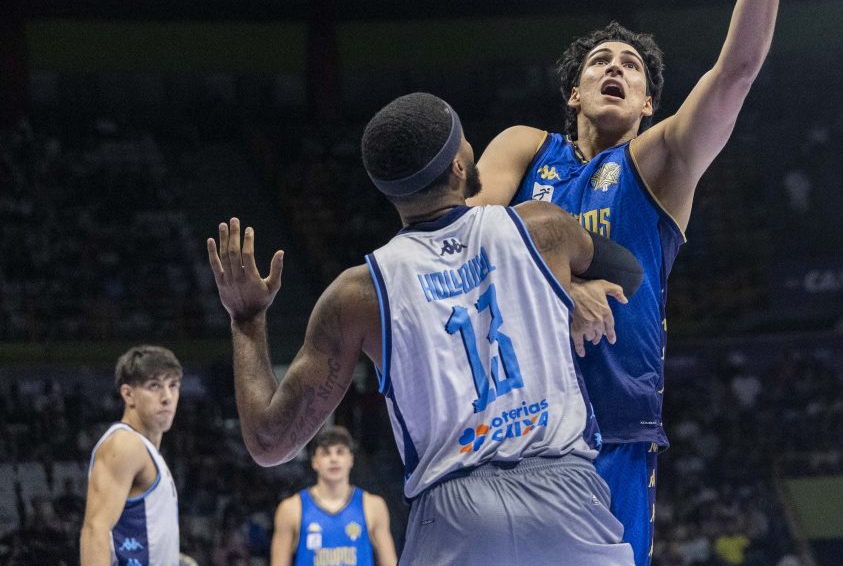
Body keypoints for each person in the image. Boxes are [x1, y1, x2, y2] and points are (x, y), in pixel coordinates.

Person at [470, 0, 843, 564]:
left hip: (613, 430)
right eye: (599, 62)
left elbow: (737, 70)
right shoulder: (522, 147)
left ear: (648, 103)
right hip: (508, 428)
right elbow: (464, 242)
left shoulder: (660, 164)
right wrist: (560, 283)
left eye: (632, 67)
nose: (615, 67)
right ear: (573, 92)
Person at [207, 92, 646, 566]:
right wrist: (570, 289)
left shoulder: (357, 294)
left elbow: (270, 442)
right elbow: (629, 272)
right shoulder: (543, 230)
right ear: (459, 165)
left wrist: (247, 320)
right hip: (565, 494)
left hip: (452, 511)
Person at [81, 346, 182, 566]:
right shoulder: (124, 445)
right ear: (128, 394)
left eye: (173, 385)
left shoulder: (147, 451)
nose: (167, 397)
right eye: (154, 386)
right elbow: (95, 530)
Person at [270, 425, 396, 566]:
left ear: (351, 459)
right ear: (314, 461)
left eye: (340, 452)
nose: (334, 459)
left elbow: (390, 562)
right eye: (326, 453)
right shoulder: (291, 509)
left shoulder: (373, 506)